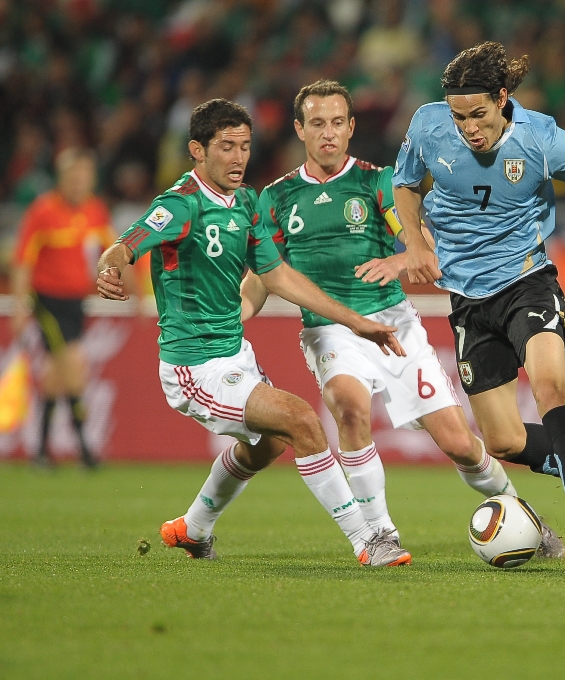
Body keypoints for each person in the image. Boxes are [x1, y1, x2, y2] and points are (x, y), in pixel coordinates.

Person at [238, 79, 563, 557]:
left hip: (393, 323)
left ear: (350, 128)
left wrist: (401, 257)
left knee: (461, 444)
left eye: (335, 123)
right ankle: (379, 534)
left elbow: (423, 246)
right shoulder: (275, 199)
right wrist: (235, 316)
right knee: (347, 405)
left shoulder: (377, 182)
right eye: (316, 124)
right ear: (299, 130)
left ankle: (524, 517)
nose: (327, 133)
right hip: (331, 329)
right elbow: (263, 276)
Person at [96, 99, 411, 567]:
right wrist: (109, 269)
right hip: (193, 364)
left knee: (269, 445)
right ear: (197, 152)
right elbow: (126, 245)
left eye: (244, 146)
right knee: (302, 420)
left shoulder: (246, 203)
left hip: (234, 355)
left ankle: (192, 528)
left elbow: (278, 276)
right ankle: (369, 540)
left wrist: (355, 320)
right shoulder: (180, 204)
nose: (238, 157)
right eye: (226, 147)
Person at [394, 42, 565, 570]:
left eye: (478, 115)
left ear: (502, 99)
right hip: (468, 300)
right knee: (502, 440)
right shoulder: (428, 126)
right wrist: (416, 243)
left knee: (549, 388)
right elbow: (404, 184)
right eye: (460, 117)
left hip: (528, 283)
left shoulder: (541, 138)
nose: (469, 128)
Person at [12, 148, 116, 468]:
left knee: (57, 375)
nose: (78, 182)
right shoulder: (42, 211)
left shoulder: (95, 211)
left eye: (84, 176)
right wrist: (19, 306)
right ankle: (85, 449)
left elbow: (114, 250)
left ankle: (41, 452)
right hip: (47, 301)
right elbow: (22, 262)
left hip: (76, 302)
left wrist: (133, 287)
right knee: (74, 364)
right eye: (73, 176)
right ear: (62, 178)